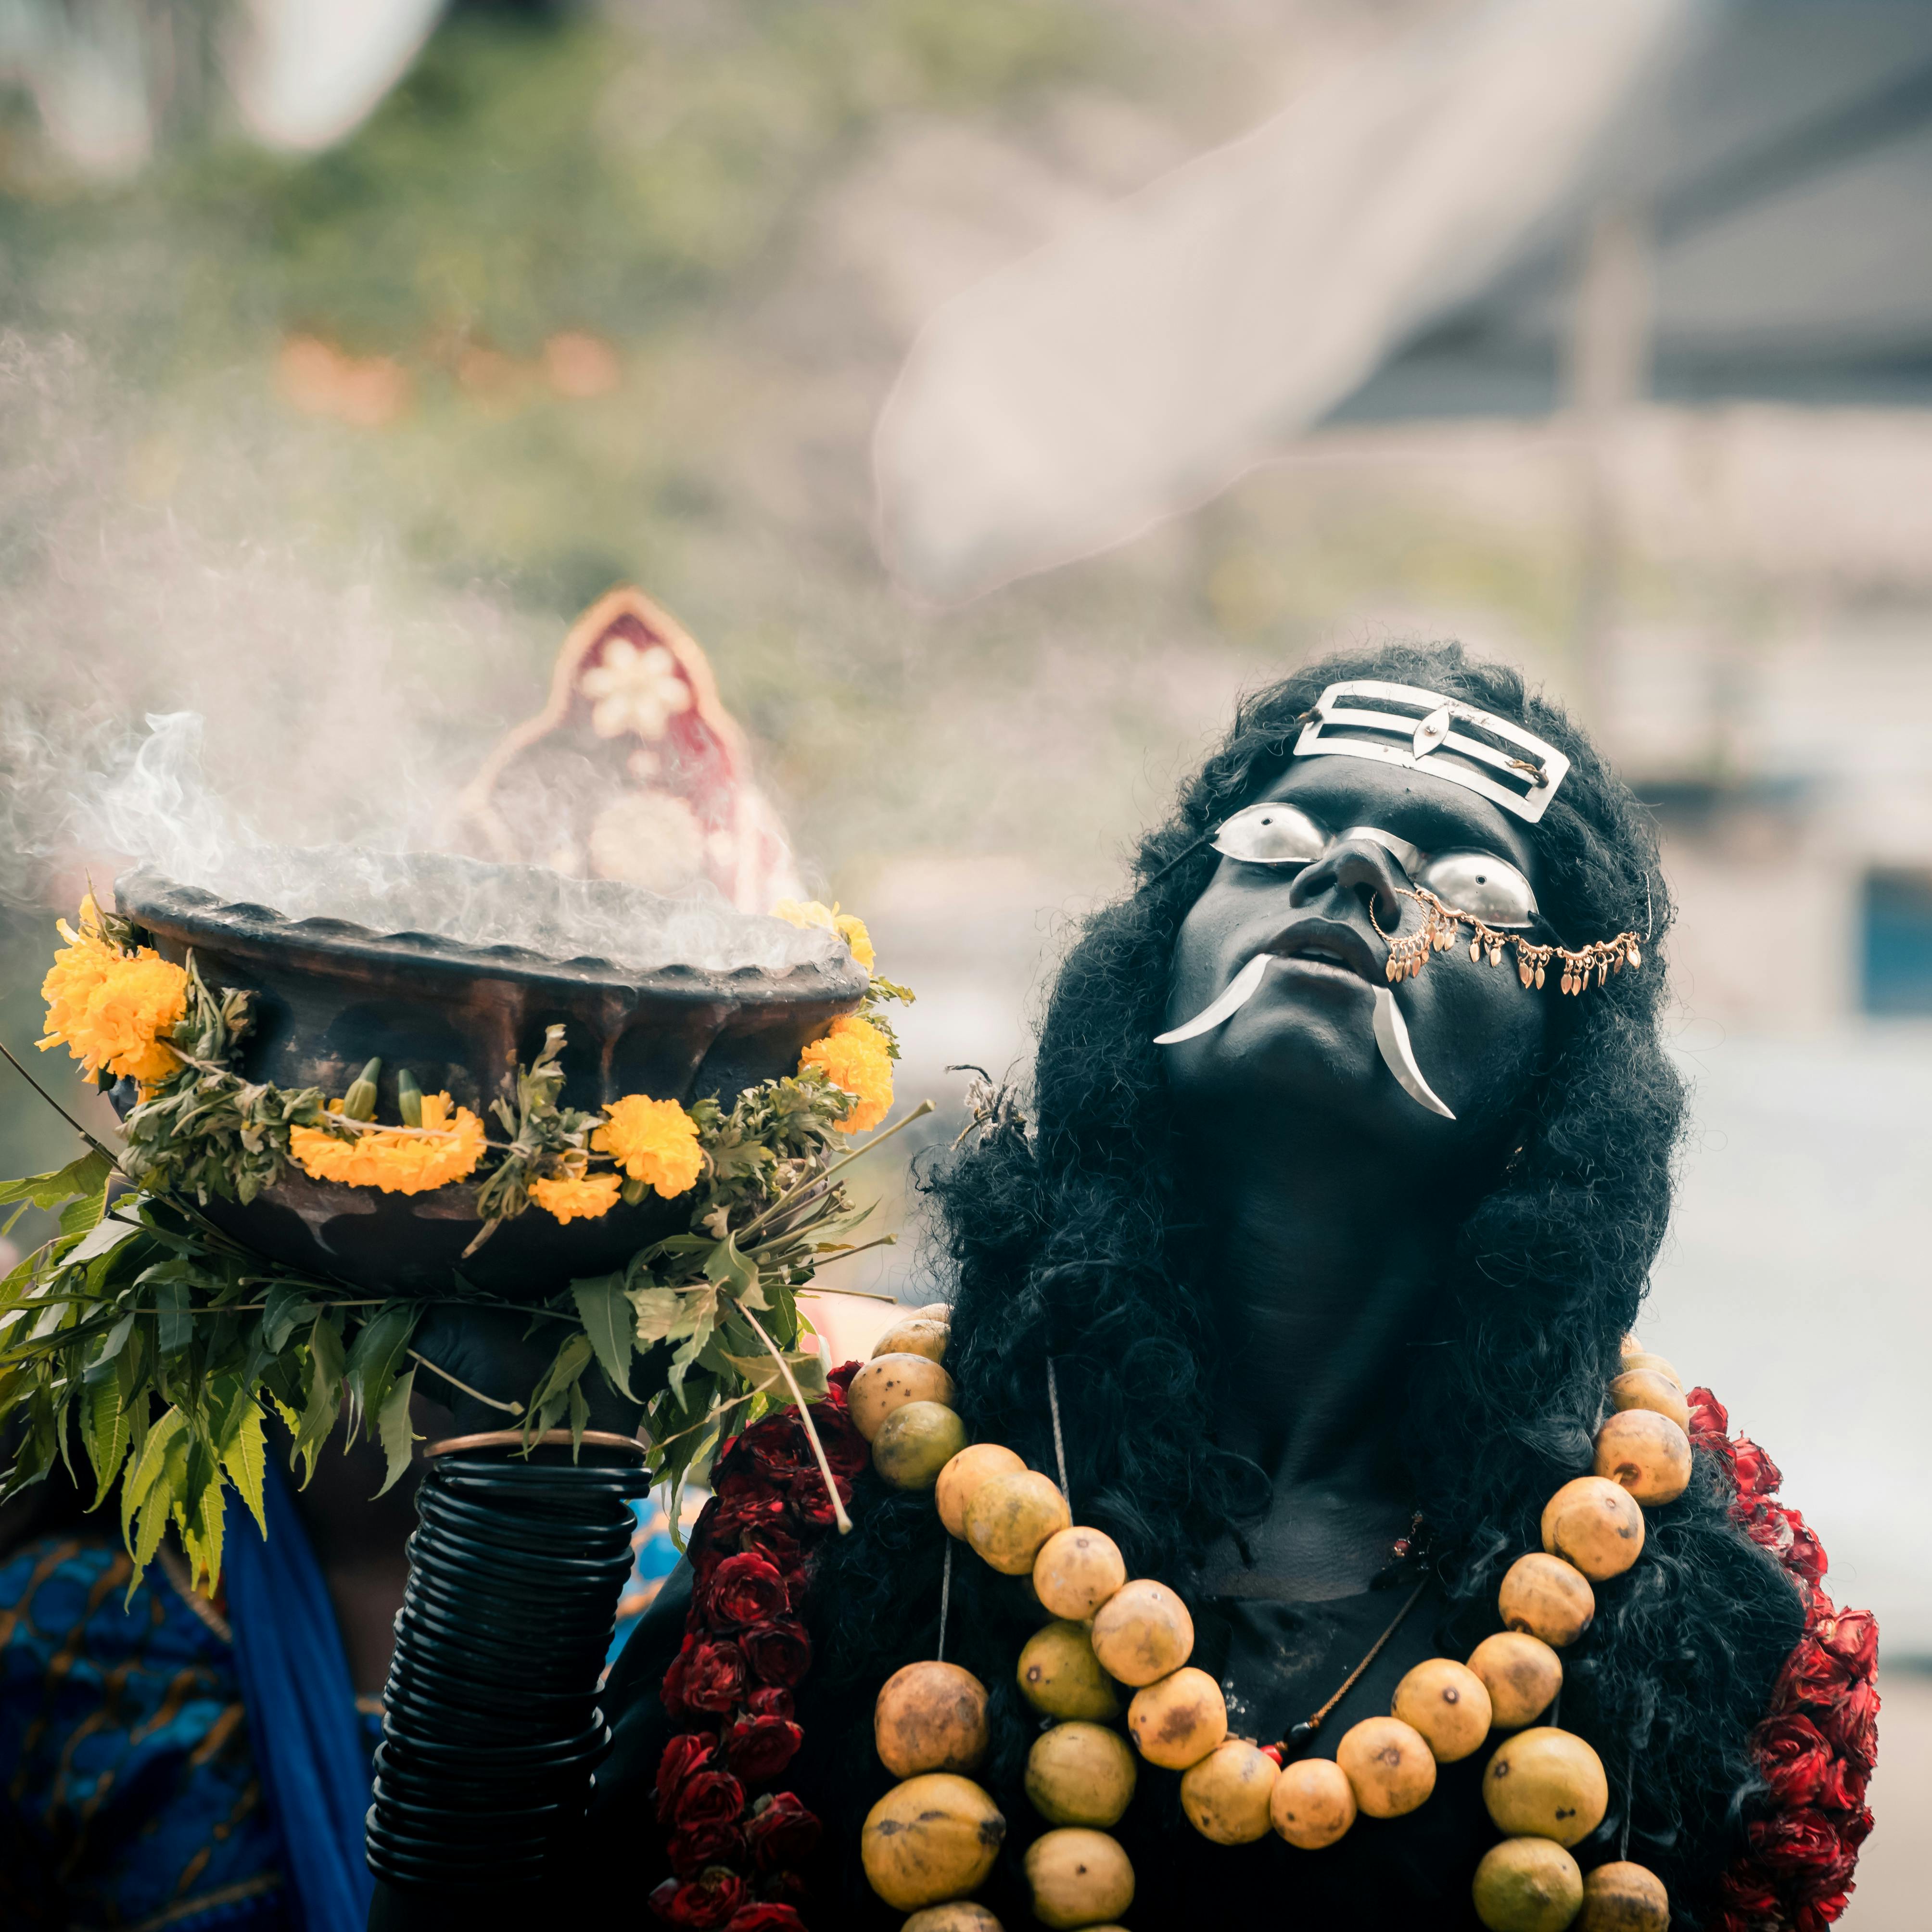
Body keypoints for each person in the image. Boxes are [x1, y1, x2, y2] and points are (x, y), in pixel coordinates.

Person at [376, 643, 1873, 1932]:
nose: (1353, 875)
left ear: (1567, 1073)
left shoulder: (1682, 1604)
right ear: (1146, 964)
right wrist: (521, 1477)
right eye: (1279, 837)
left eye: (1470, 880)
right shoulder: (859, 1504)